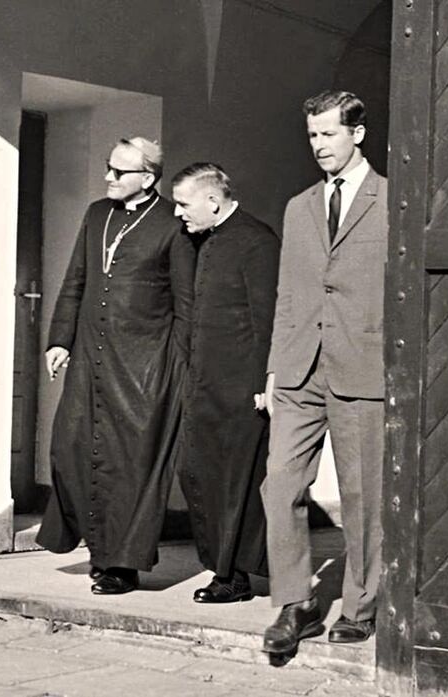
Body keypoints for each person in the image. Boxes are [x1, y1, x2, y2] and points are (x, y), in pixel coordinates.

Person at [37, 137, 196, 595]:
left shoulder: (172, 222)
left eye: (118, 171)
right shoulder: (96, 214)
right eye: (109, 167)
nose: (107, 176)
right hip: (91, 354)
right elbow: (76, 280)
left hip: (144, 363)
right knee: (71, 445)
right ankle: (99, 547)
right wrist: (59, 339)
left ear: (147, 178)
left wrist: (179, 366)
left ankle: (121, 565)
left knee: (130, 463)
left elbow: (186, 303)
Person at [260, 90, 387, 652]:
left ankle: (361, 606)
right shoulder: (299, 207)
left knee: (363, 496)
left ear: (357, 134)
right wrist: (274, 368)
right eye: (312, 135)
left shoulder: (393, 200)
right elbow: (288, 293)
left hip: (363, 366)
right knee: (280, 484)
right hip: (298, 370)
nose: (318, 145)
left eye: (328, 134)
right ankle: (297, 605)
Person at [170, 163, 279, 604]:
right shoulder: (201, 240)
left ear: (213, 201)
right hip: (204, 384)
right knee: (198, 472)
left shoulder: (257, 241)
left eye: (184, 203)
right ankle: (224, 567)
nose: (178, 213)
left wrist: (266, 381)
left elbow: (267, 318)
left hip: (241, 388)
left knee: (237, 483)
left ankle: (233, 576)